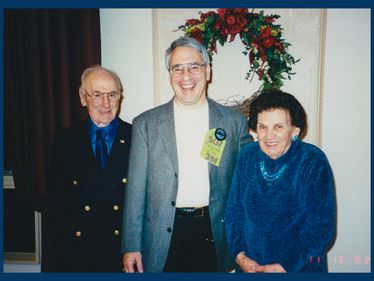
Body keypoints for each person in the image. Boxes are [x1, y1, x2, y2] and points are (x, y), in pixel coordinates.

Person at [121, 37, 251, 272]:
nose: (186, 76)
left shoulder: (233, 122)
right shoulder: (146, 124)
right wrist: (131, 245)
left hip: (213, 233)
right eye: (177, 68)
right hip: (163, 236)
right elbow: (135, 191)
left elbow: (246, 187)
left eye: (194, 66)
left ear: (208, 71)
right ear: (170, 74)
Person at [225, 90, 336, 273]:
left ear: (295, 130)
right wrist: (240, 255)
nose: (269, 136)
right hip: (250, 267)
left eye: (278, 127)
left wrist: (284, 266)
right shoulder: (247, 156)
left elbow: (321, 228)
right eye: (263, 127)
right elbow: (234, 212)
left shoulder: (312, 160)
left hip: (299, 267)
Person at [45, 65, 132, 272]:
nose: (105, 103)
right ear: (83, 98)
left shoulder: (137, 137)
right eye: (97, 95)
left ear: (120, 97)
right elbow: (57, 206)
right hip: (77, 255)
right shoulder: (64, 140)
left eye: (112, 95)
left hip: (121, 256)